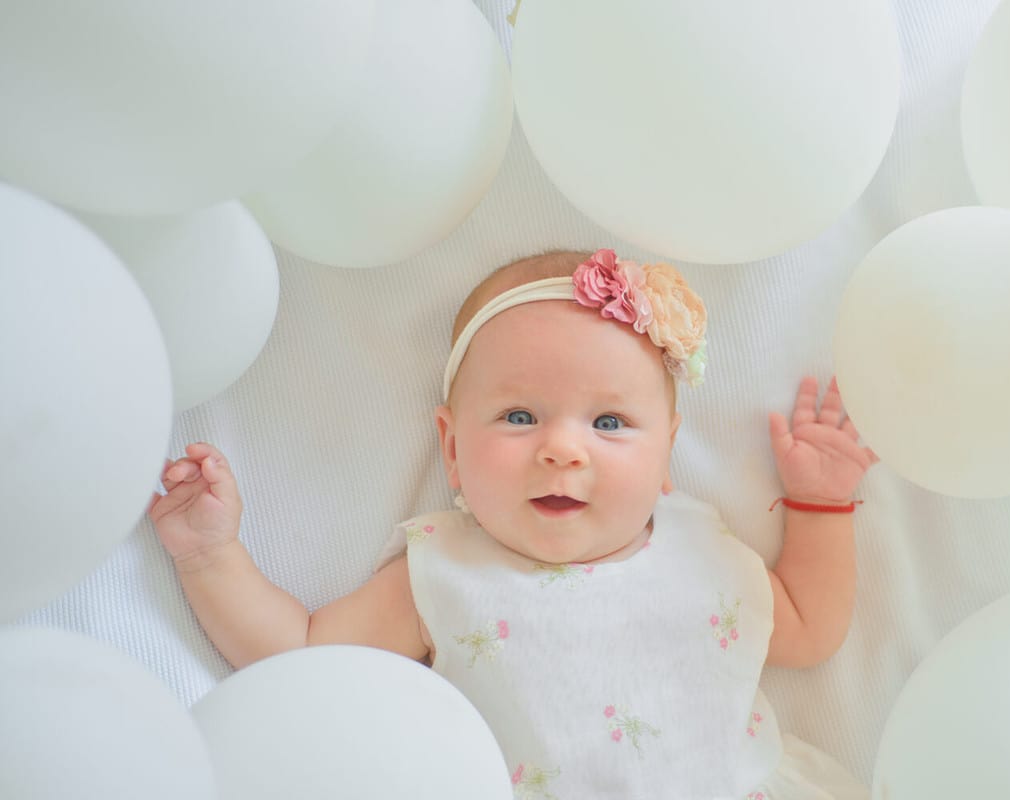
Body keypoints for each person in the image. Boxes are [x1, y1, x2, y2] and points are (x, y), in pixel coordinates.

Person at [151, 248, 879, 799]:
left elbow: (809, 628)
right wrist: (212, 556)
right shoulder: (442, 574)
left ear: (667, 454)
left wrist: (820, 505)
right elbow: (304, 655)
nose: (562, 448)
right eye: (520, 417)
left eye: (610, 422)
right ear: (452, 449)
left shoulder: (703, 546)